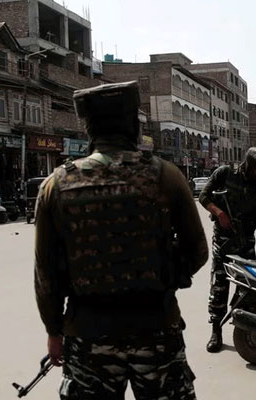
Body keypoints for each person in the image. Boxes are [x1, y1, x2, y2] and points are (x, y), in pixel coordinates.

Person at [33, 81, 208, 400]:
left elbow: (46, 276)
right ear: (133, 125)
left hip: (88, 334)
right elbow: (197, 251)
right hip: (156, 328)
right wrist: (164, 277)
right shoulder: (166, 175)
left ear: (88, 128)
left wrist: (53, 331)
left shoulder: (55, 185)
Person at [199, 147, 256, 353]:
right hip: (223, 244)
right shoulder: (224, 174)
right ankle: (216, 331)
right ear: (249, 164)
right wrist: (219, 212)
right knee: (219, 288)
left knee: (248, 290)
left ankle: (242, 326)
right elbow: (204, 197)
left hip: (246, 245)